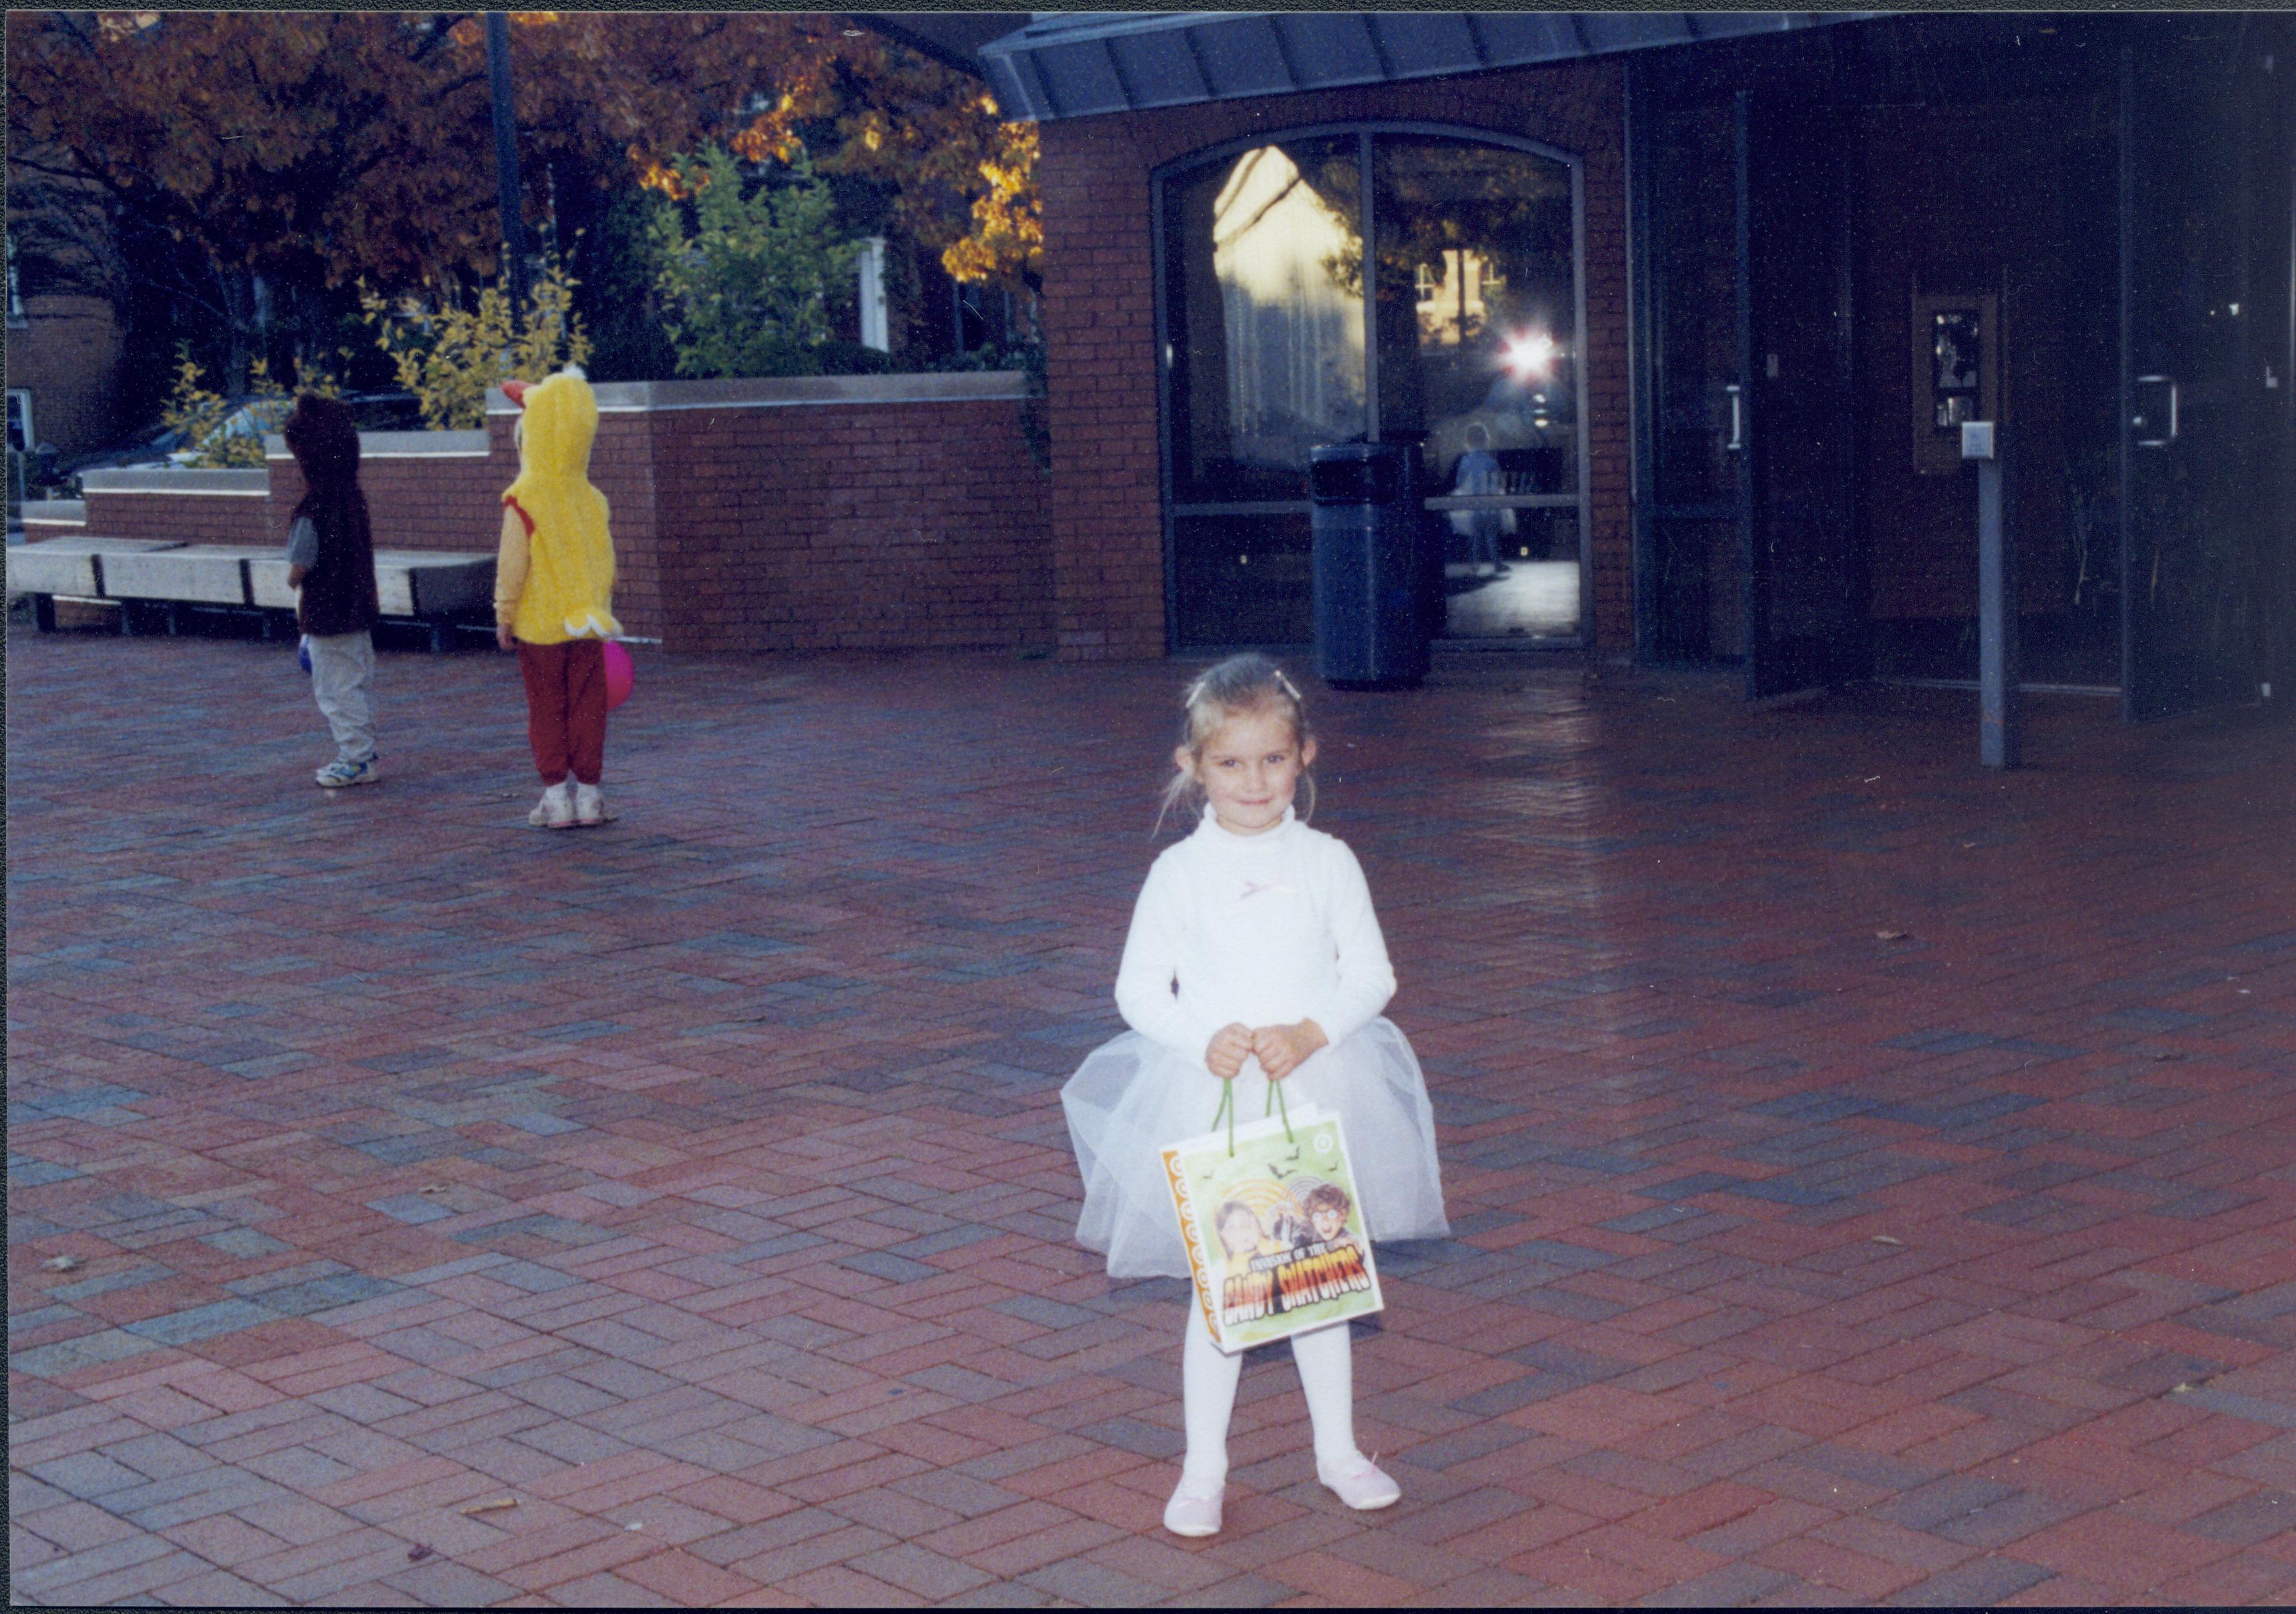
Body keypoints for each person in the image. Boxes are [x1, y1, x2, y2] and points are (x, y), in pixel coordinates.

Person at [1061, 653, 1449, 1539]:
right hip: (1216, 1098)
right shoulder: (1180, 875)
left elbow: (1373, 975)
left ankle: (1339, 1451)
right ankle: (1204, 1468)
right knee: (1225, 1293)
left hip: (1314, 1091)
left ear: (1304, 756)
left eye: (1272, 759)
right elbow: (1136, 990)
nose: (1254, 781)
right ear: (1195, 768)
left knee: (1320, 1278)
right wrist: (1204, 1038)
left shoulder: (1327, 862)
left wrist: (1313, 1030)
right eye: (1231, 763)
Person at [494, 369, 620, 829]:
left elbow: (513, 565)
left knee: (546, 707)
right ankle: (590, 796)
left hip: (539, 624)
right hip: (586, 621)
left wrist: (504, 614)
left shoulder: (524, 497)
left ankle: (555, 798)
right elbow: (607, 564)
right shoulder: (592, 499)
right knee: (588, 706)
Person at [281, 394, 382, 788]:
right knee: (355, 684)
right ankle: (364, 751)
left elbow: (300, 566)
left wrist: (291, 580)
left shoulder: (313, 507)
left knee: (335, 691)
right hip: (357, 609)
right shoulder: (352, 498)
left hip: (325, 613)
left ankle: (356, 757)